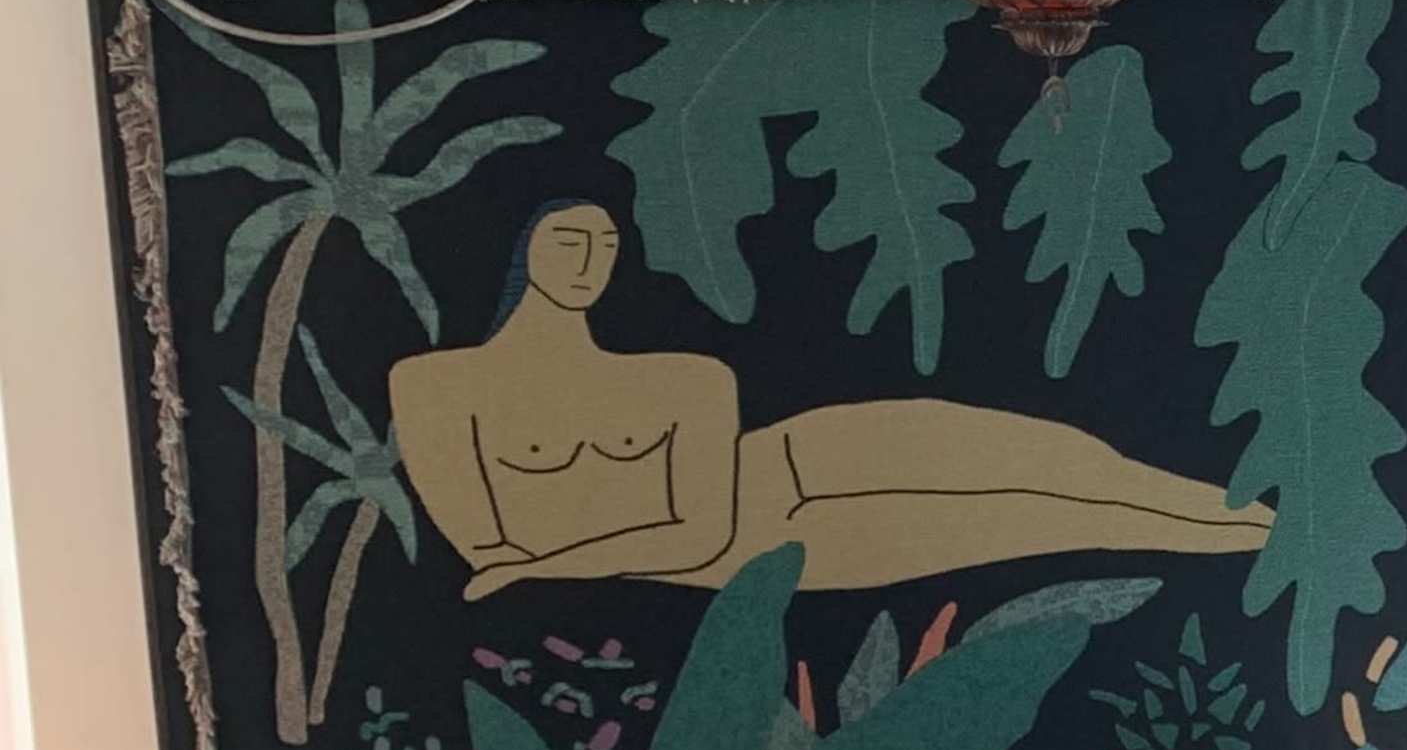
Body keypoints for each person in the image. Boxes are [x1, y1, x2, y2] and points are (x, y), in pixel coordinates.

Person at [388, 200, 1273, 599]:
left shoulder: (678, 378)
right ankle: (1247, 535)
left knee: (1055, 459)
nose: (588, 260)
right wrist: (538, 563)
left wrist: (547, 563)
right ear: (523, 253)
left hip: (786, 459)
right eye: (566, 240)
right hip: (761, 542)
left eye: (605, 243)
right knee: (1043, 517)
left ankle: (1267, 523)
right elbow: (489, 548)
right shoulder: (435, 387)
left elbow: (666, 527)